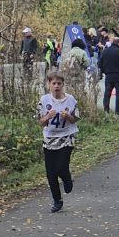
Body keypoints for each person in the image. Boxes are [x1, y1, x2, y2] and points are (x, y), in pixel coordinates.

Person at [37, 70, 78, 212]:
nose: (56, 86)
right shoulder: (44, 100)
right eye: (53, 83)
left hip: (66, 137)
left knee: (61, 166)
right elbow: (40, 122)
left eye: (59, 83)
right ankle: (57, 200)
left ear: (63, 85)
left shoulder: (70, 100)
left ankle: (67, 180)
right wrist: (47, 117)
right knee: (51, 173)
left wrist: (68, 117)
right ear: (49, 85)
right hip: (49, 139)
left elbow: (76, 119)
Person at [100, 35, 119, 115]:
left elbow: (100, 63)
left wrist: (104, 70)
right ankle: (118, 112)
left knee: (107, 93)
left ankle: (106, 110)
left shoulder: (105, 51)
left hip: (108, 75)